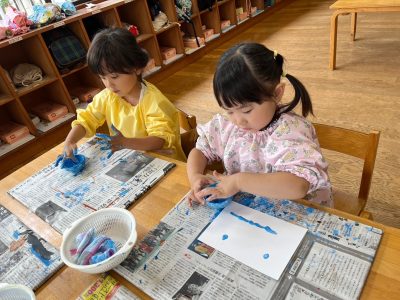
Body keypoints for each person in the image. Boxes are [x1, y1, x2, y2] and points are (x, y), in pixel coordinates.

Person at [187, 42, 332, 207]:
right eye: (229, 111)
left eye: (247, 110)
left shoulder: (291, 131)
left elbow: (298, 186)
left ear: (277, 94)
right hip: (253, 210)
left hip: (299, 211)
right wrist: (195, 176)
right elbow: (200, 151)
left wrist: (238, 181)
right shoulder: (227, 125)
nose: (238, 120)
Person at [63, 28, 185, 161]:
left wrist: (124, 142)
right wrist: (70, 140)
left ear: (137, 68)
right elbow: (86, 119)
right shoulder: (108, 97)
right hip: (132, 158)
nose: (109, 84)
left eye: (114, 76)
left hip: (165, 162)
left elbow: (159, 140)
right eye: (102, 77)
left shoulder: (154, 101)